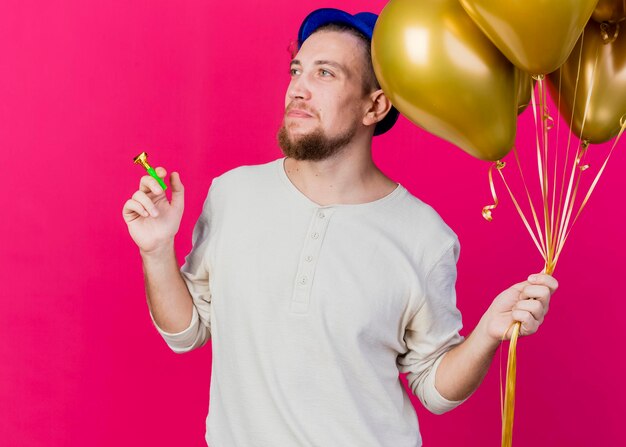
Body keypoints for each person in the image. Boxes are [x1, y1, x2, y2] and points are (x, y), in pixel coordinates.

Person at [122, 8, 558, 447]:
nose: (298, 89)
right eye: (297, 70)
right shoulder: (233, 195)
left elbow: (433, 386)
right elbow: (188, 332)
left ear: (375, 105)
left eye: (325, 74)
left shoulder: (425, 236)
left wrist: (488, 333)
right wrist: (157, 251)